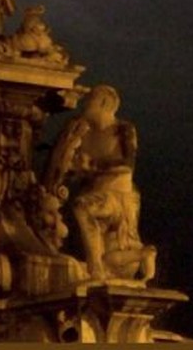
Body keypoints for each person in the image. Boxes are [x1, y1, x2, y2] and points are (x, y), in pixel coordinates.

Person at [47, 85, 156, 283]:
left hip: (119, 197)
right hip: (98, 194)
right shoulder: (84, 134)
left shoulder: (123, 129)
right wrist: (74, 169)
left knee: (83, 208)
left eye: (90, 101)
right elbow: (78, 173)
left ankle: (94, 269)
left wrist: (92, 166)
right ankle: (136, 256)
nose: (85, 106)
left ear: (104, 103)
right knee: (109, 260)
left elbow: (127, 165)